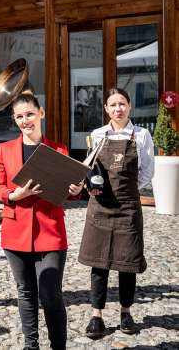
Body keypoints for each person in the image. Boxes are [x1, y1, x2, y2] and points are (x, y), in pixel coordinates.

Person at [0, 92, 80, 350]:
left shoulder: (59, 149)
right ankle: (31, 345)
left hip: (50, 231)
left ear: (41, 113)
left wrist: (75, 190)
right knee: (26, 293)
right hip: (15, 231)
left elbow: (69, 190)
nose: (24, 120)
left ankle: (58, 346)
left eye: (29, 114)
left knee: (51, 294)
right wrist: (13, 194)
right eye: (19, 116)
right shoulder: (5, 150)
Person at [79, 88, 155, 338]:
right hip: (100, 208)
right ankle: (96, 316)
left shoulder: (142, 135)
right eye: (113, 105)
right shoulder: (97, 134)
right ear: (106, 109)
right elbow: (88, 168)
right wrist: (92, 186)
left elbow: (147, 173)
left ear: (129, 106)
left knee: (127, 264)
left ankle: (126, 312)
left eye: (122, 104)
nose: (118, 109)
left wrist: (128, 190)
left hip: (127, 208)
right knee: (98, 264)